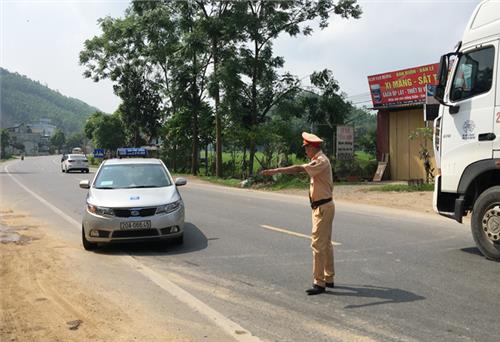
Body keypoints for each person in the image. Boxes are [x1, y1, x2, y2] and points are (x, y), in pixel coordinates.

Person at [260, 132, 335, 295]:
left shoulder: (321, 161)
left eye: (306, 147)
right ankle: (328, 278)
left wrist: (276, 170)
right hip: (321, 206)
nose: (305, 151)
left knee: (317, 244)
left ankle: (319, 282)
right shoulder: (317, 160)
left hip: (323, 207)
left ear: (313, 147)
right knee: (325, 243)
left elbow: (299, 168)